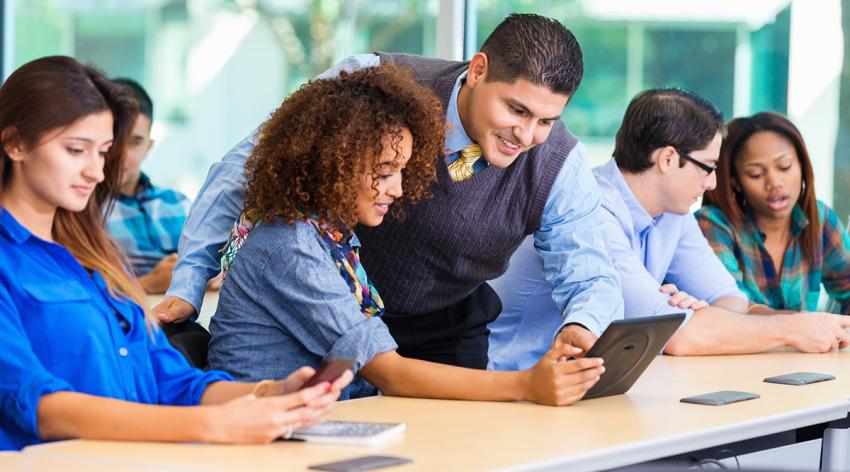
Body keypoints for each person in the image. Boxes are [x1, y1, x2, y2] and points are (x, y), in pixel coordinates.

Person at [158, 14, 622, 373]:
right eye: (516, 109)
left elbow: (591, 276)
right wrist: (190, 282)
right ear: (479, 70)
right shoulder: (377, 82)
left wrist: (583, 326)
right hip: (326, 309)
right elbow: (247, 167)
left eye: (546, 120)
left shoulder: (561, 164)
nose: (526, 135)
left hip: (445, 326)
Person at [0, 56, 350, 451]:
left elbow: (170, 381)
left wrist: (271, 393)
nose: (96, 173)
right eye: (76, 150)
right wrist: (211, 425)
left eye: (102, 153)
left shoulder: (98, 261)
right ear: (15, 142)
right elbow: (38, 406)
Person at [207, 64, 604, 406]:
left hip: (325, 423)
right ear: (330, 165)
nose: (396, 190)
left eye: (400, 171)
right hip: (264, 437)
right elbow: (389, 374)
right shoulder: (290, 248)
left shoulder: (332, 239)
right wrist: (525, 384)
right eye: (382, 173)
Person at [488, 88, 850, 370]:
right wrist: (792, 328)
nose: (711, 184)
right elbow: (677, 338)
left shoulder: (673, 214)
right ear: (668, 159)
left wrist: (703, 315)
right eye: (708, 168)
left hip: (592, 384)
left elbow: (731, 301)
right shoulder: (590, 209)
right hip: (517, 383)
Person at [697, 112, 850, 314]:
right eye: (756, 174)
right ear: (735, 182)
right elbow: (730, 311)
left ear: (802, 166)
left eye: (784, 167)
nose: (775, 183)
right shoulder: (713, 224)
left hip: (808, 345)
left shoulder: (819, 219)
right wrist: (808, 326)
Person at [105, 78, 190, 294]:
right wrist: (149, 283)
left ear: (149, 146)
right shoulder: (84, 210)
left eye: (135, 142)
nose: (122, 155)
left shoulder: (178, 203)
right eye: (114, 140)